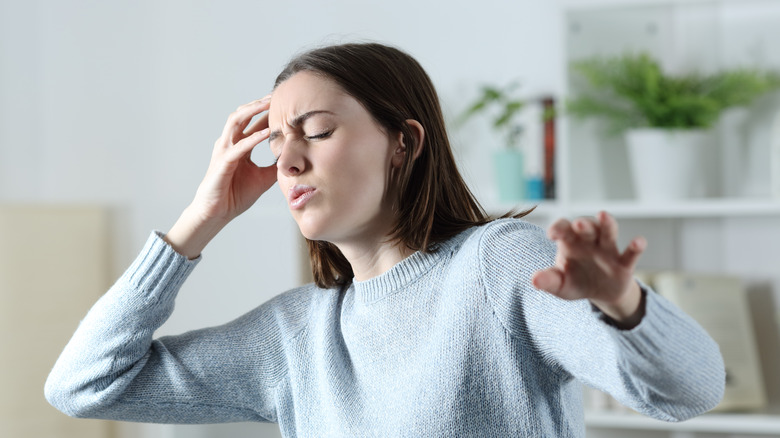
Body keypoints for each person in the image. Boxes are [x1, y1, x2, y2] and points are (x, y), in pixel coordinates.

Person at [45, 42, 725, 437]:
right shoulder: (296, 333)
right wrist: (201, 217)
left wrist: (624, 305)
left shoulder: (497, 264)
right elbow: (82, 386)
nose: (287, 159)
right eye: (275, 143)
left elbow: (689, 391)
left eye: (314, 130)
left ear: (403, 142)